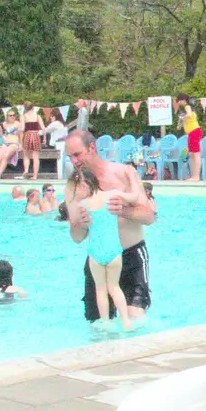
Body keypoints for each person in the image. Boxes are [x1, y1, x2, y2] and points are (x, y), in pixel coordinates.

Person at [64, 128, 157, 323]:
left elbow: (149, 217)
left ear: (92, 147)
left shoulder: (123, 173)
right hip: (98, 258)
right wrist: (81, 221)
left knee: (135, 319)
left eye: (77, 154)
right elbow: (77, 238)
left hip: (131, 256)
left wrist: (123, 210)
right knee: (97, 325)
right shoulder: (74, 186)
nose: (74, 161)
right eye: (69, 157)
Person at [68, 164, 137, 331]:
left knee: (101, 289)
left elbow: (76, 225)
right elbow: (134, 197)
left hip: (95, 252)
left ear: (83, 186)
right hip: (114, 250)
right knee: (114, 287)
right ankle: (126, 321)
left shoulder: (82, 205)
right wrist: (132, 177)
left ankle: (105, 322)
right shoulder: (112, 195)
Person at [0, 111, 22, 180]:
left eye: (13, 115)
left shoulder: (18, 124)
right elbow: (0, 134)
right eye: (10, 115)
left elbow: (21, 135)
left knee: (5, 156)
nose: (12, 117)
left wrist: (21, 144)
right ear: (7, 117)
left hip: (14, 143)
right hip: (5, 143)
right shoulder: (3, 124)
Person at [179, 96, 203, 182]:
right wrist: (181, 122)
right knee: (192, 154)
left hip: (194, 132)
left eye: (179, 101)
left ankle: (196, 176)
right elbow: (180, 126)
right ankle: (194, 176)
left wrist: (182, 117)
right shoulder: (186, 110)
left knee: (196, 154)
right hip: (192, 133)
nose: (178, 103)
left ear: (183, 100)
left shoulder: (187, 106)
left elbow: (188, 115)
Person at [21, 104, 44, 181]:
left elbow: (22, 128)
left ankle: (26, 170)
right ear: (33, 108)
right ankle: (35, 176)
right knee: (35, 157)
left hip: (27, 135)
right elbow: (43, 128)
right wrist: (44, 138)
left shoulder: (23, 116)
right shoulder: (37, 116)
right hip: (36, 135)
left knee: (26, 155)